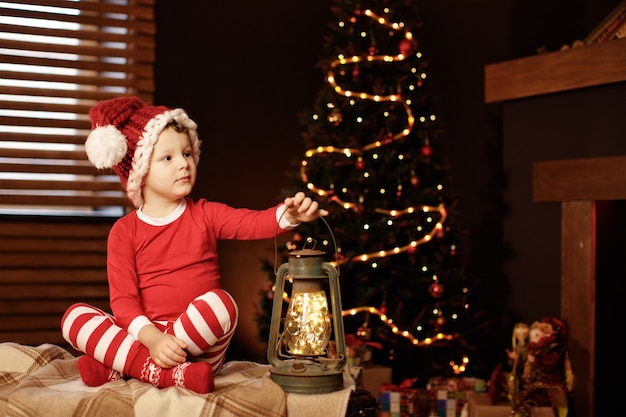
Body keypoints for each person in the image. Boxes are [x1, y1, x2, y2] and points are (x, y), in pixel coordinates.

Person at [61, 96, 328, 394]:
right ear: (139, 172)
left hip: (196, 344)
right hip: (145, 335)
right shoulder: (124, 231)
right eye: (168, 158)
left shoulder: (205, 214)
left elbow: (252, 223)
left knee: (222, 304)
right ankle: (162, 373)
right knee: (75, 318)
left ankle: (126, 365)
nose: (184, 164)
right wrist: (152, 339)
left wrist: (289, 214)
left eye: (187, 153)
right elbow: (123, 302)